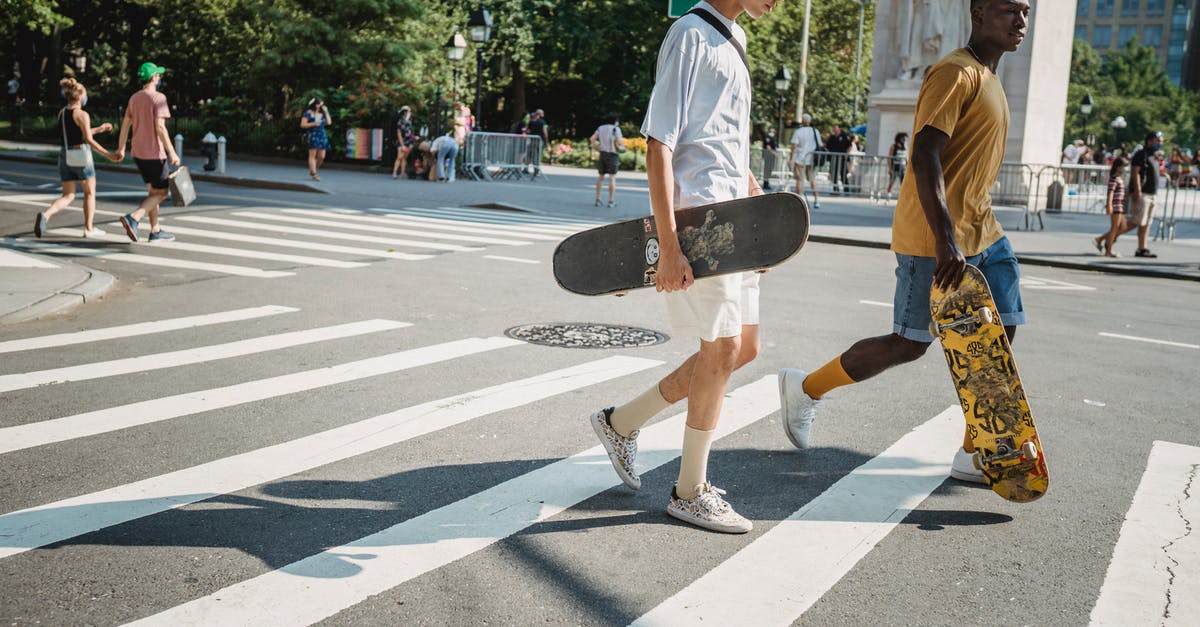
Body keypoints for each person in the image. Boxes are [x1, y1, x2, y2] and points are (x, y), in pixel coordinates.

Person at [778, 0, 1031, 485]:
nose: (1019, 21)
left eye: (1024, 11)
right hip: (934, 239)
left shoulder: (991, 77)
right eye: (1007, 11)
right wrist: (945, 240)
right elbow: (924, 156)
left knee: (1000, 336)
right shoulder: (955, 73)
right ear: (978, 15)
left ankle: (972, 451)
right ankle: (806, 388)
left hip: (985, 231)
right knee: (909, 344)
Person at [589, 0, 775, 535]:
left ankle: (621, 423)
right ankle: (689, 490)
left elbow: (717, 139)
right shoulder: (689, 34)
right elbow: (660, 142)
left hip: (732, 220)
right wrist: (669, 246)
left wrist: (750, 191)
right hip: (699, 225)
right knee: (722, 348)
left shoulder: (734, 39)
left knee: (746, 346)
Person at [32, 78, 120, 239]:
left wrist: (100, 129)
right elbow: (88, 140)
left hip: (65, 155)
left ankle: (46, 215)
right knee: (89, 193)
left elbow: (77, 133)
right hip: (81, 155)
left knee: (68, 195)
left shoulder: (62, 112)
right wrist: (109, 155)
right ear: (80, 97)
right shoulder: (82, 114)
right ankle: (89, 228)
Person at [115, 62, 179, 243]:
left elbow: (126, 125)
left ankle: (155, 230)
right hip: (154, 153)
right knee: (162, 193)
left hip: (138, 153)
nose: (159, 78)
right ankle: (133, 218)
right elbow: (160, 127)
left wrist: (121, 148)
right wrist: (172, 152)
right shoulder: (159, 98)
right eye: (158, 75)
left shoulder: (134, 98)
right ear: (153, 78)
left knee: (153, 193)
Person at [1127, 131, 1164, 258]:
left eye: (1161, 141)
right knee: (1136, 221)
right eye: (1158, 141)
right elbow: (1135, 172)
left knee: (1146, 222)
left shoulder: (1153, 155)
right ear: (1150, 141)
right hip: (1143, 193)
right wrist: (1137, 190)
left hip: (1152, 193)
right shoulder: (1141, 154)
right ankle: (1109, 237)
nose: (1160, 143)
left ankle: (1142, 248)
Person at [1093, 156, 1130, 257]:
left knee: (1123, 227)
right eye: (1123, 167)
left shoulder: (1119, 178)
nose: (1125, 169)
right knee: (1114, 229)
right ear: (1118, 167)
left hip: (1120, 205)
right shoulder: (1114, 178)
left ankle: (1100, 239)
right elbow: (1110, 192)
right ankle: (1108, 251)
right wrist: (1109, 205)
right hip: (1116, 206)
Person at [590, 113, 625, 207]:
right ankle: (611, 201)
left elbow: (592, 139)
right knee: (612, 177)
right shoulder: (616, 129)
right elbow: (620, 142)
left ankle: (598, 199)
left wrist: (597, 148)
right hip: (612, 154)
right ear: (615, 120)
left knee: (600, 177)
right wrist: (622, 148)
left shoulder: (600, 128)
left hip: (603, 153)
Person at [789, 114, 822, 209]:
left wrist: (791, 159)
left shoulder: (798, 132)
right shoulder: (815, 131)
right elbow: (820, 144)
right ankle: (816, 200)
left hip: (800, 158)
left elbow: (794, 146)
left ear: (802, 121)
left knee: (799, 179)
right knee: (812, 180)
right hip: (811, 159)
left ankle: (800, 200)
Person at [300, 97, 332, 181]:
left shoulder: (323, 113)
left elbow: (329, 122)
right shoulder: (308, 113)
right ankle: (314, 173)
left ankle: (314, 170)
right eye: (319, 104)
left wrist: (326, 111)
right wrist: (313, 124)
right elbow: (303, 125)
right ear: (314, 104)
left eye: (321, 104)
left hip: (322, 135)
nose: (320, 106)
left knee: (322, 156)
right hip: (312, 134)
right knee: (312, 155)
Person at [826, 124, 853, 194]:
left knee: (843, 173)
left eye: (836, 128)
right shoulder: (832, 137)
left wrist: (847, 154)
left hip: (842, 158)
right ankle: (835, 189)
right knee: (834, 173)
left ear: (839, 129)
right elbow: (827, 146)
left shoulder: (844, 137)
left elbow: (850, 145)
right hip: (834, 158)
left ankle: (846, 189)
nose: (835, 130)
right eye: (834, 128)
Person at [392, 106, 416, 179]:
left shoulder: (409, 121)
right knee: (399, 157)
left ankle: (402, 173)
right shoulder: (400, 121)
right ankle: (394, 173)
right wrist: (402, 145)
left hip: (408, 142)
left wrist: (414, 138)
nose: (410, 113)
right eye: (409, 111)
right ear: (405, 112)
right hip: (403, 142)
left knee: (404, 158)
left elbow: (410, 132)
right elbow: (399, 133)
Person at [887, 132, 909, 196]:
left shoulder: (905, 147)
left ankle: (903, 198)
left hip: (903, 168)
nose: (904, 140)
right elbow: (890, 158)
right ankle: (888, 196)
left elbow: (907, 158)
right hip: (895, 167)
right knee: (891, 183)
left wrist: (907, 167)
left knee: (903, 184)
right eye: (903, 138)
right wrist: (890, 168)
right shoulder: (893, 146)